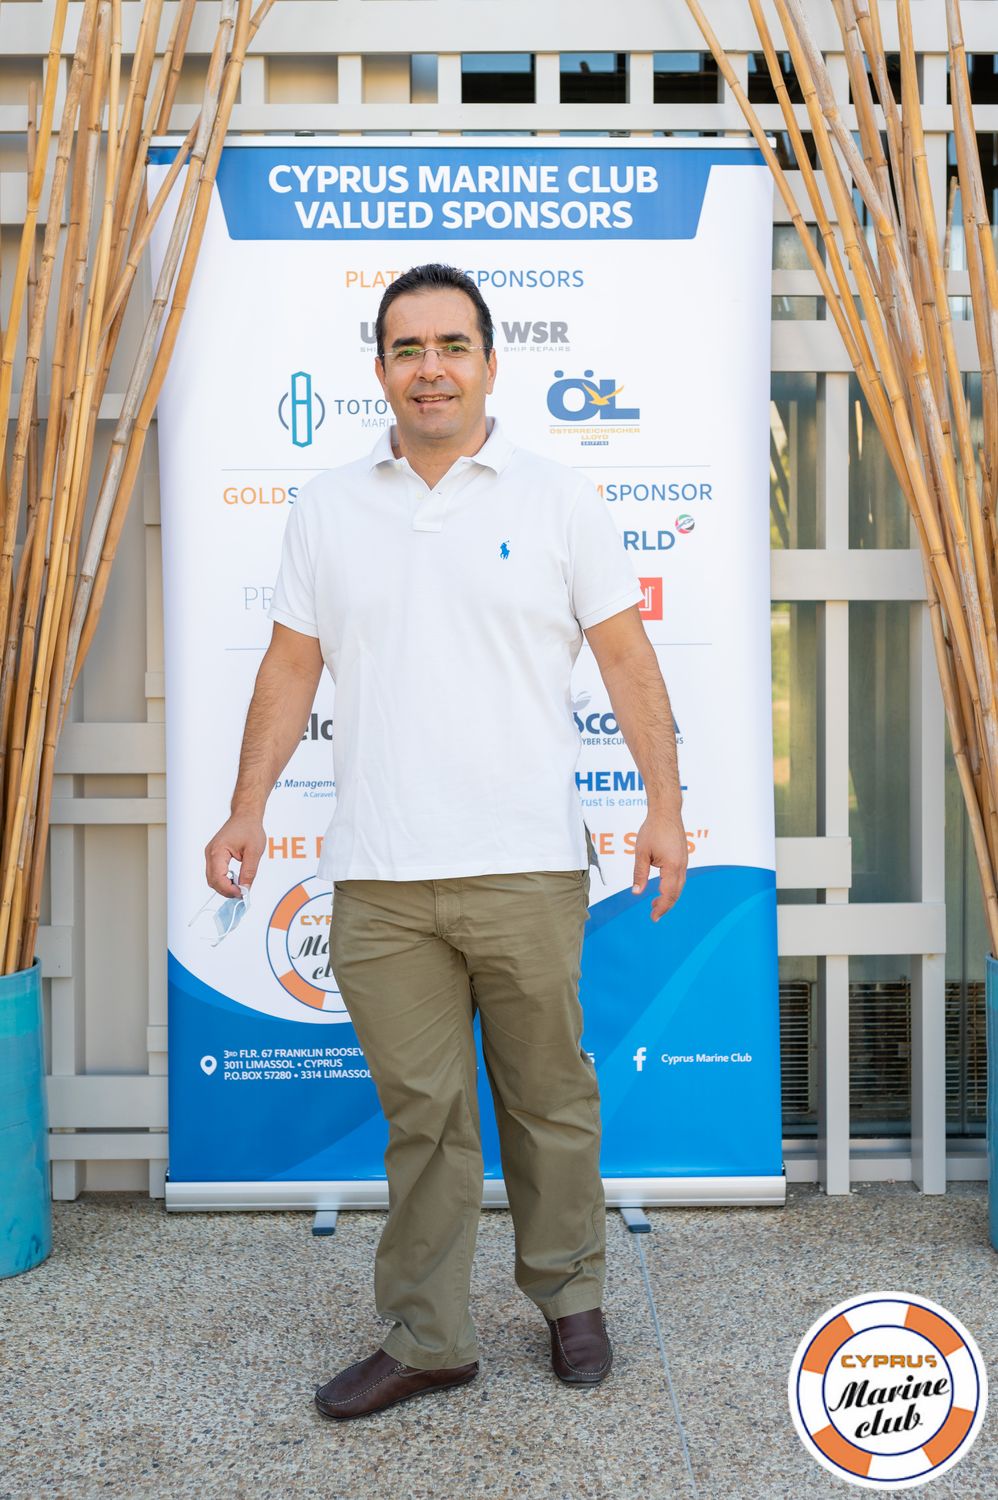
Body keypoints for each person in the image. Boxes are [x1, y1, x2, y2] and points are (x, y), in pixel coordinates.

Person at [204, 263, 687, 1420]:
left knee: (547, 1100)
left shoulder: (556, 499)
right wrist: (245, 804)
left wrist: (665, 808)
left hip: (526, 863)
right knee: (424, 1121)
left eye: (451, 346)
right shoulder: (328, 507)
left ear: (488, 363)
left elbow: (626, 660)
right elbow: (289, 668)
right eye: (407, 348)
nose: (431, 369)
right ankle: (428, 1338)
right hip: (379, 876)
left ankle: (570, 1298)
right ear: (379, 369)